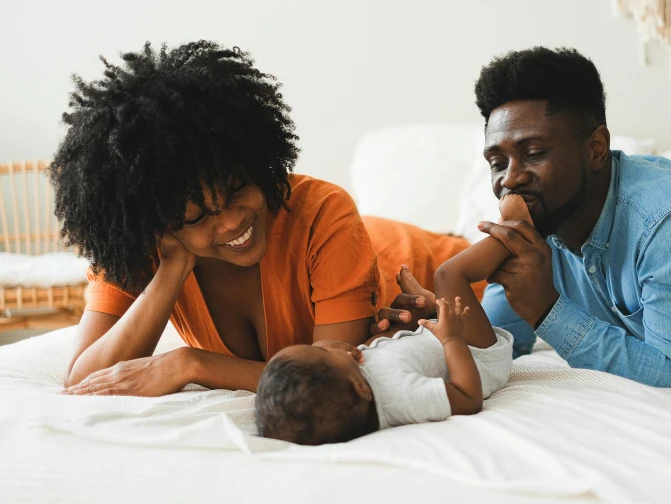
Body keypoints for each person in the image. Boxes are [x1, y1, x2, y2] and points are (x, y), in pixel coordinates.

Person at [55, 40, 480, 397]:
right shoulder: (139, 245)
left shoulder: (323, 213)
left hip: (426, 264)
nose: (231, 222)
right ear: (156, 223)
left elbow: (334, 378)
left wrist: (189, 364)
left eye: (238, 189)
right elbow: (83, 380)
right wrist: (173, 268)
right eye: (198, 216)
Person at [470, 47, 671, 390]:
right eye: (498, 162)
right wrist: (438, 323)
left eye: (534, 154)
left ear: (596, 149)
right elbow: (499, 345)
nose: (510, 179)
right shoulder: (538, 220)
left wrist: (547, 309)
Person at [255, 194, 530, 444]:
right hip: (478, 355)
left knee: (423, 302)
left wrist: (414, 320)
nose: (325, 344)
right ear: (361, 389)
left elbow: (394, 352)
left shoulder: (349, 378)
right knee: (449, 275)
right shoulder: (400, 396)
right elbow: (468, 397)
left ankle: (432, 303)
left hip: (439, 336)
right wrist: (452, 339)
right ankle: (517, 231)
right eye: (322, 352)